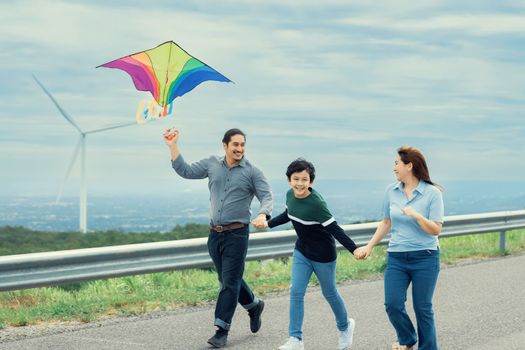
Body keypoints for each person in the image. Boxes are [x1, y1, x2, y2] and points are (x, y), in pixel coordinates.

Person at [165, 128, 272, 348]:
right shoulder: (212, 164)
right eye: (235, 144)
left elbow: (266, 195)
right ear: (225, 145)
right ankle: (253, 306)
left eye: (242, 145)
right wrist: (173, 146)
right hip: (214, 234)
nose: (239, 149)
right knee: (227, 280)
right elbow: (185, 170)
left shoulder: (252, 172)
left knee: (229, 282)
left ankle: (221, 329)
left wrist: (263, 214)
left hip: (237, 234)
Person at [255, 158, 357, 350]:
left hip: (323, 255)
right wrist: (268, 223)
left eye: (304, 179)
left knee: (330, 292)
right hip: (302, 251)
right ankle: (295, 340)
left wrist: (354, 249)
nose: (300, 183)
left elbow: (335, 229)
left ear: (311, 181)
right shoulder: (290, 195)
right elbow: (288, 214)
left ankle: (345, 327)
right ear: (289, 180)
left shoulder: (316, 203)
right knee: (296, 291)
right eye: (296, 179)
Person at [354, 146, 444, 350]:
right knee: (392, 304)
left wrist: (417, 216)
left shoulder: (432, 194)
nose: (394, 167)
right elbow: (386, 222)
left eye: (397, 163)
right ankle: (407, 338)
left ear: (409, 165)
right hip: (396, 257)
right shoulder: (391, 190)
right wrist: (369, 246)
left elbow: (436, 229)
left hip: (425, 257)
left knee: (423, 308)